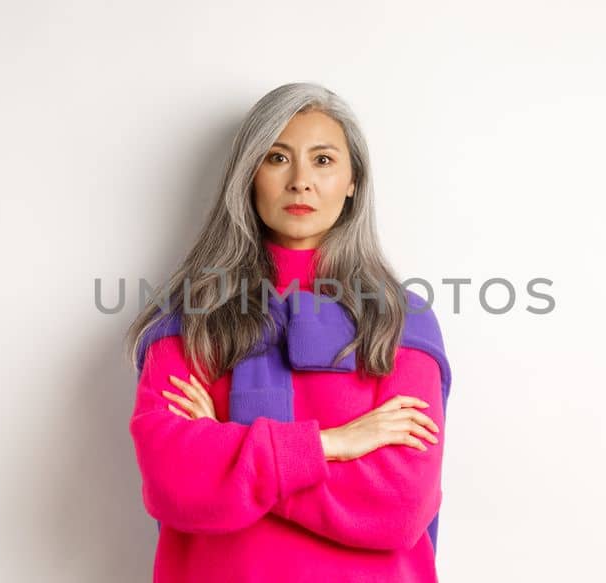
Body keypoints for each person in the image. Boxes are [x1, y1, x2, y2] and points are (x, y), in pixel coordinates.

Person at [124, 82, 452, 582]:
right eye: (277, 158)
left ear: (352, 182)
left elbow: (399, 505)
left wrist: (230, 452)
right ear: (248, 175)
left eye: (323, 161)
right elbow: (174, 482)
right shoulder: (189, 317)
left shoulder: (400, 320)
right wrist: (334, 444)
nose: (301, 181)